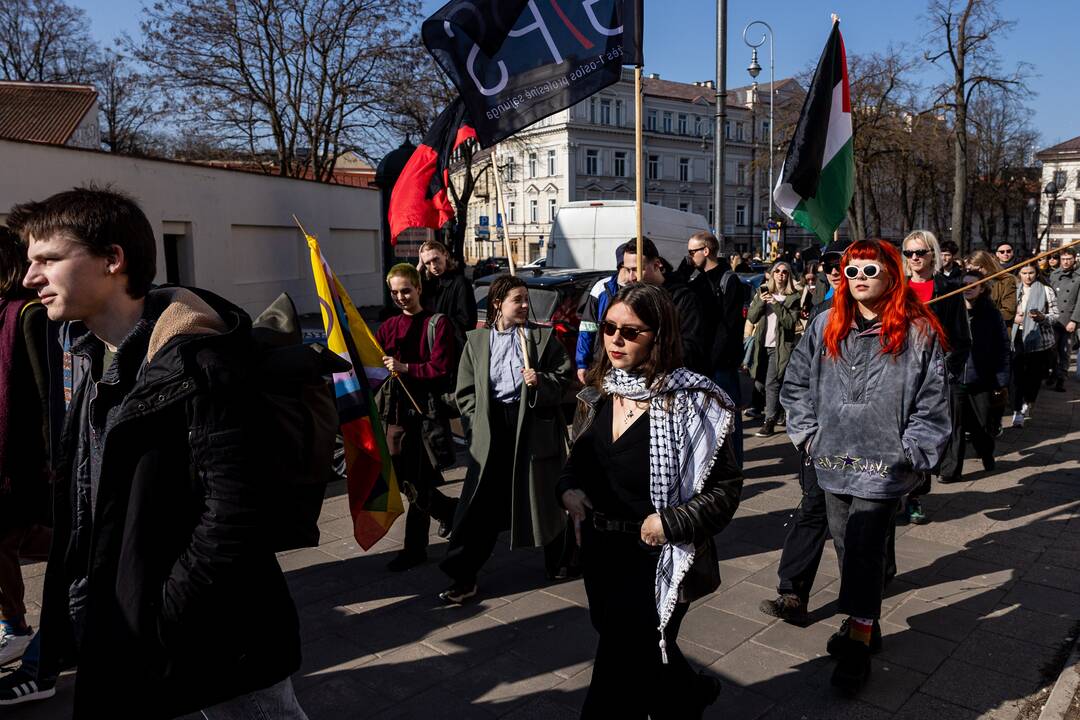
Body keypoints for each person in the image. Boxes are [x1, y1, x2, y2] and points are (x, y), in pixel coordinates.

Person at [12, 187, 306, 718]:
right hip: (123, 620)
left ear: (112, 260)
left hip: (216, 630)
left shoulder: (203, 364)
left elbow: (236, 518)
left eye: (48, 259)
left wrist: (162, 613)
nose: (30, 277)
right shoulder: (89, 359)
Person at [557, 283, 741, 719]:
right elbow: (577, 461)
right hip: (601, 553)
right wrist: (567, 489)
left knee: (615, 677)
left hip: (656, 558)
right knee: (632, 646)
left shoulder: (694, 402)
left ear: (659, 336)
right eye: (609, 328)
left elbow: (726, 489)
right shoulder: (597, 394)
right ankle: (689, 692)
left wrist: (672, 523)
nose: (616, 340)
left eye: (631, 331)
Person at [781, 239, 951, 693]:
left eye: (868, 271)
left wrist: (911, 452)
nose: (857, 280)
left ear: (891, 275)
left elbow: (933, 402)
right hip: (832, 460)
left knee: (863, 549)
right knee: (844, 546)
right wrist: (808, 434)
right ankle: (867, 624)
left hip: (883, 466)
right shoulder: (825, 325)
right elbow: (795, 383)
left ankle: (856, 646)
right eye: (851, 272)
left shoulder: (918, 332)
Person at [440, 274, 574, 603]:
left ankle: (562, 561)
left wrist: (541, 381)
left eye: (527, 299)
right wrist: (475, 424)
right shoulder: (476, 342)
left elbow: (563, 377)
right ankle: (463, 575)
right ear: (498, 303)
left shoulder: (541, 339)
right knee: (478, 504)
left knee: (543, 495)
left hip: (531, 427)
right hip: (491, 428)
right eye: (519, 300)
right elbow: (466, 391)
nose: (526, 306)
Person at [759, 240, 851, 625]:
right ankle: (792, 592)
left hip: (867, 448)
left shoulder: (891, 319)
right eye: (828, 263)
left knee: (853, 526)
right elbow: (797, 381)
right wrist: (806, 432)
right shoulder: (821, 314)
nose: (834, 270)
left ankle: (860, 612)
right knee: (812, 509)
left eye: (843, 264)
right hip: (821, 441)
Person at [375, 264, 459, 571]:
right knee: (402, 477)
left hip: (423, 414)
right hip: (393, 413)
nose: (400, 297)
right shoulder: (389, 326)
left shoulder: (437, 323)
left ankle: (415, 548)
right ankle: (448, 510)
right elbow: (375, 364)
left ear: (418, 288)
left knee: (418, 479)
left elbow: (441, 368)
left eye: (406, 291)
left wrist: (406, 367)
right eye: (395, 292)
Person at [0, 228, 54, 668]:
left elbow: (46, 395)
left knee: (19, 537)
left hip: (24, 459)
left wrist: (53, 459)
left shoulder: (28, 315)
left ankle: (17, 629)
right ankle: (14, 626)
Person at [902, 230, 971, 525]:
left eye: (920, 252)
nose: (914, 258)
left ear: (932, 253)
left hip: (932, 376)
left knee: (921, 436)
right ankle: (895, 493)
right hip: (895, 373)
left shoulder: (948, 289)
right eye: (909, 253)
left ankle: (915, 496)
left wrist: (946, 370)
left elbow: (961, 339)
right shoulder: (896, 288)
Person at [937, 271, 1010, 481]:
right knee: (954, 425)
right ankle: (951, 470)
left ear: (982, 288)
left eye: (972, 285)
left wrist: (1001, 379)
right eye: (964, 284)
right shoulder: (951, 311)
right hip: (956, 377)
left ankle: (986, 452)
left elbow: (1003, 347)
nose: (967, 288)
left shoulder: (991, 313)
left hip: (982, 378)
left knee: (982, 424)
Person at [687, 231, 750, 466]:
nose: (690, 256)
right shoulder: (695, 279)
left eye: (692, 251)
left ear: (706, 250)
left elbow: (729, 327)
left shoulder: (728, 280)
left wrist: (713, 360)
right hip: (700, 363)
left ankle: (734, 467)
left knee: (728, 421)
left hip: (721, 366)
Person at [622, 238, 709, 375]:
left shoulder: (684, 299)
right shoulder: (629, 298)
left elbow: (691, 349)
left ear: (657, 265)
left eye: (637, 269)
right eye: (627, 270)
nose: (631, 277)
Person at [746, 261, 800, 438]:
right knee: (759, 383)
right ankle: (781, 411)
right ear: (772, 274)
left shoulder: (793, 297)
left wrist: (776, 304)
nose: (781, 274)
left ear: (789, 275)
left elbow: (790, 323)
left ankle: (769, 422)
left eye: (785, 271)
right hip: (762, 345)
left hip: (781, 347)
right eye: (777, 271)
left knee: (772, 383)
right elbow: (752, 317)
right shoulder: (762, 293)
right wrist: (762, 302)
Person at [1009, 264, 1058, 428]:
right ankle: (1017, 410)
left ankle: (1028, 401)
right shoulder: (1013, 289)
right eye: (1024, 273)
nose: (1028, 277)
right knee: (1017, 376)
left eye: (1031, 273)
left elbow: (1055, 316)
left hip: (1039, 340)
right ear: (1019, 274)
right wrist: (1013, 317)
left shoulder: (1045, 290)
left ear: (1037, 273)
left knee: (1033, 377)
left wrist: (1042, 317)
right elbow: (1005, 311)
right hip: (1017, 337)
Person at [575, 246, 631, 384]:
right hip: (601, 362)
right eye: (628, 269)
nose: (632, 275)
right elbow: (587, 328)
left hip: (630, 362)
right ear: (619, 266)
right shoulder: (601, 289)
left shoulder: (641, 289)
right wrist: (582, 363)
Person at [419, 239, 477, 352]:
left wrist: (439, 325)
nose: (434, 266)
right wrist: (418, 267)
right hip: (429, 347)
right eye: (427, 263)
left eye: (436, 259)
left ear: (445, 255)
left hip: (451, 349)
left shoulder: (460, 283)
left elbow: (467, 321)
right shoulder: (425, 285)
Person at [1047, 247, 1080, 392]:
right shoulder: (1054, 275)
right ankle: (1054, 372)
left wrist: (1075, 320)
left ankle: (1061, 379)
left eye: (1069, 259)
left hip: (1069, 320)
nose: (1066, 262)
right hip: (1054, 319)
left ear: (1074, 259)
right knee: (1051, 350)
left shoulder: (1079, 276)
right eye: (1063, 259)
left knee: (1065, 351)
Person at [965, 250, 1017, 326]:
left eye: (977, 269)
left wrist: (982, 315)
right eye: (970, 270)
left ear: (986, 265)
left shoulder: (1006, 280)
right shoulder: (969, 283)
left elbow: (1009, 312)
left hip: (996, 330)